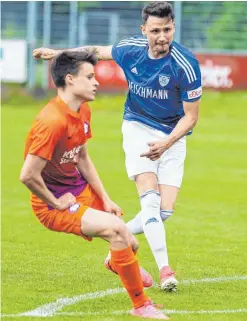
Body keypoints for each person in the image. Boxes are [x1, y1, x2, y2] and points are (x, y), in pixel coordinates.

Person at [32, 1, 202, 292]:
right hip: (137, 127)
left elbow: (191, 117)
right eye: (155, 30)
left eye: (168, 29)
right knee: (149, 202)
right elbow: (95, 52)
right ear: (143, 30)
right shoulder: (131, 48)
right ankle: (166, 270)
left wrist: (167, 142)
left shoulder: (185, 64)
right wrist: (59, 53)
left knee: (163, 212)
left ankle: (115, 249)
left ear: (174, 27)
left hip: (172, 136)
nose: (162, 37)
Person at [20, 50, 169, 320]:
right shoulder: (51, 122)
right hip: (52, 203)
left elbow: (83, 157)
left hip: (80, 190)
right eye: (89, 77)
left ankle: (116, 261)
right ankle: (140, 306)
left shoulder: (82, 109)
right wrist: (55, 203)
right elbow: (28, 175)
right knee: (116, 232)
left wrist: (106, 198)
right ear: (70, 79)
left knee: (130, 243)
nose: (96, 82)